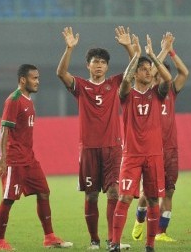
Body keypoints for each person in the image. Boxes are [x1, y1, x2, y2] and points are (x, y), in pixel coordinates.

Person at [56, 26, 131, 250]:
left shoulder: (116, 84)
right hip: (88, 148)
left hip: (113, 147)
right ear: (88, 65)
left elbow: (134, 71)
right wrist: (69, 49)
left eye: (102, 62)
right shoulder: (81, 86)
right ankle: (94, 240)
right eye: (94, 61)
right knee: (91, 196)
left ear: (107, 66)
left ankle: (112, 240)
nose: (98, 65)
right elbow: (61, 73)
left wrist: (128, 46)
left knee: (114, 192)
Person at [0, 64, 73, 250]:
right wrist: (3, 158)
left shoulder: (28, 100)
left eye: (38, 78)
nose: (38, 81)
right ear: (23, 80)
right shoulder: (14, 100)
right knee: (8, 199)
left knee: (44, 191)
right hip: (15, 160)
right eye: (34, 78)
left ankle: (50, 237)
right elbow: (4, 129)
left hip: (29, 159)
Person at [110, 35, 172, 252]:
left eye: (150, 69)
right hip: (132, 155)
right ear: (136, 72)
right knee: (125, 196)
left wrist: (154, 56)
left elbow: (168, 80)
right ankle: (115, 243)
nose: (148, 72)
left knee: (154, 200)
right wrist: (136, 54)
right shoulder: (126, 94)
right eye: (144, 69)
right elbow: (125, 80)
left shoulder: (157, 94)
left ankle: (150, 246)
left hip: (154, 155)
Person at [131, 32, 190, 243]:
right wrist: (158, 52)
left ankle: (161, 232)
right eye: (153, 74)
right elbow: (151, 72)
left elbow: (184, 72)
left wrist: (170, 51)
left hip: (171, 149)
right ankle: (139, 220)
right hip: (152, 149)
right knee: (148, 194)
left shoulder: (171, 91)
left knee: (170, 192)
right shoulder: (150, 95)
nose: (156, 75)